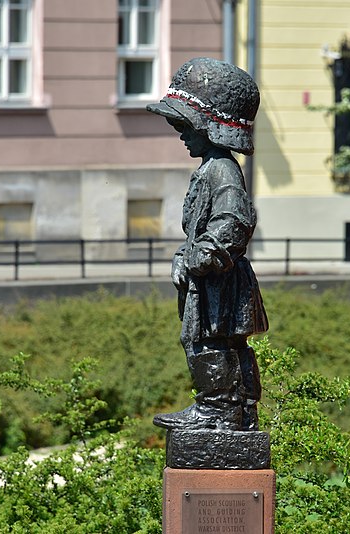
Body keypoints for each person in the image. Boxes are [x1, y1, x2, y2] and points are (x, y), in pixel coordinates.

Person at [146, 58, 268, 431]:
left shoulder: (222, 170)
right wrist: (184, 255)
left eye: (184, 126)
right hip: (212, 280)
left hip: (218, 281)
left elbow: (234, 222)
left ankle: (219, 410)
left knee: (205, 342)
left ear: (209, 127)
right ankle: (237, 409)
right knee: (220, 342)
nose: (181, 135)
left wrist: (201, 256)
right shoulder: (212, 167)